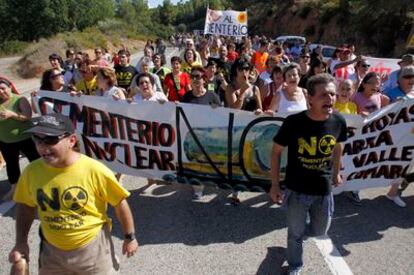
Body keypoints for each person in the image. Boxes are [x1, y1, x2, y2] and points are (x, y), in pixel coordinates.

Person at [9, 113, 138, 274]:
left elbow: (120, 203)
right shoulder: (31, 172)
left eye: (50, 139)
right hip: (51, 253)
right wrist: (21, 242)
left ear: (71, 140)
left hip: (93, 250)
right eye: (37, 139)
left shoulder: (95, 170)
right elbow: (25, 205)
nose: (42, 146)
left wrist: (129, 237)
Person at [270, 73, 347, 275]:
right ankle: (295, 264)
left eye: (332, 94)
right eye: (323, 95)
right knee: (295, 233)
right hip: (296, 190)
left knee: (321, 231)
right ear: (310, 98)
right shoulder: (294, 122)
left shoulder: (339, 121)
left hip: (323, 190)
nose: (330, 98)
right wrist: (275, 185)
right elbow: (276, 152)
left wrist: (337, 172)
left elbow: (338, 147)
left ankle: (297, 236)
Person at [0, 79, 40, 201]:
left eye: (3, 88)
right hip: (5, 141)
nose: (1, 91)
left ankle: (41, 183)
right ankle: (15, 188)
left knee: (36, 161)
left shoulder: (19, 99)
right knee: (12, 165)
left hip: (25, 138)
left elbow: (28, 116)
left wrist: (12, 115)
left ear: (10, 88)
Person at [383, 66, 414, 207]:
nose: (411, 80)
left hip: (410, 137)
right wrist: (393, 105)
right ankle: (356, 187)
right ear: (399, 79)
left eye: (413, 77)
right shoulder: (389, 93)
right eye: (407, 77)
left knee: (403, 165)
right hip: (391, 137)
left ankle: (392, 193)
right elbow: (379, 115)